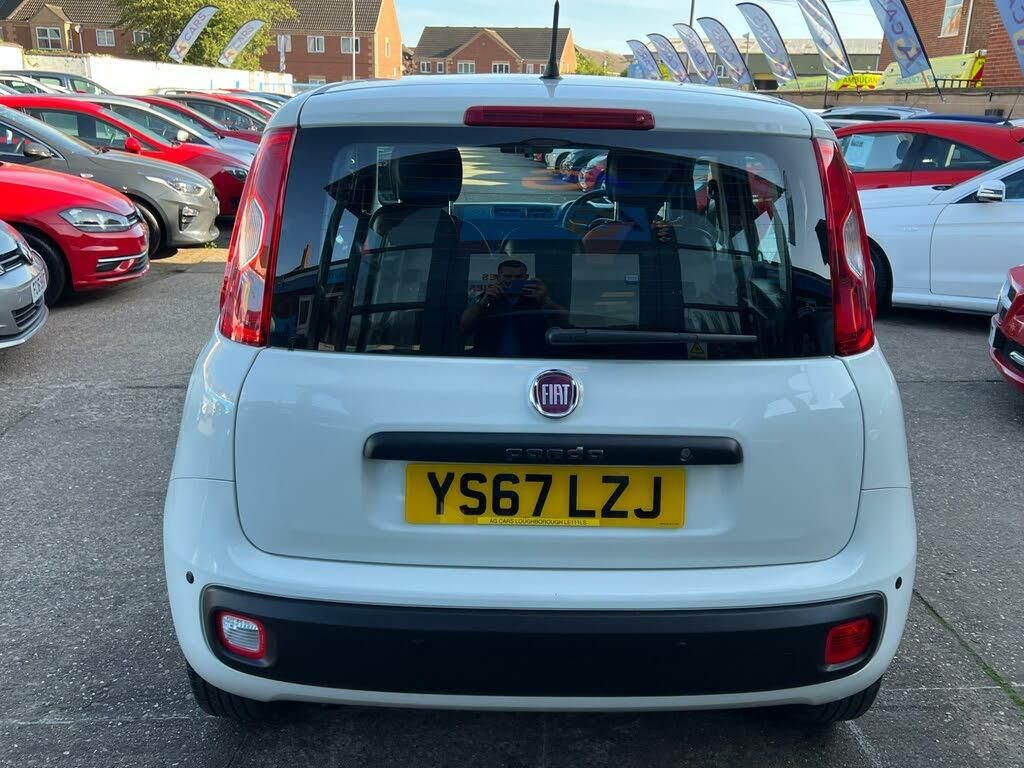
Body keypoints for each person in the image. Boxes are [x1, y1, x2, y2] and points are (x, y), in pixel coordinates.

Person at [460, 259, 564, 356]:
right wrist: (483, 303)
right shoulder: (487, 298)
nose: (513, 280)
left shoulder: (537, 298)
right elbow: (464, 327)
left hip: (531, 361)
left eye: (518, 277)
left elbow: (564, 323)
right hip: (489, 361)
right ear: (498, 278)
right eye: (507, 276)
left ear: (526, 277)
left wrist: (545, 300)